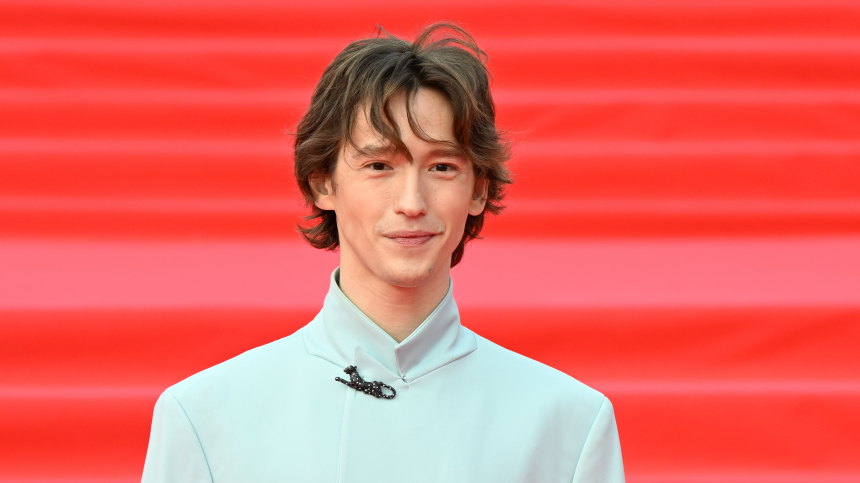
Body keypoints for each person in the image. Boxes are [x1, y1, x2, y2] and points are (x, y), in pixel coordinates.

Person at [142, 22, 624, 483]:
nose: (411, 203)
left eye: (441, 167)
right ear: (323, 184)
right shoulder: (204, 419)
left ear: (478, 190)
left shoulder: (568, 424)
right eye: (378, 165)